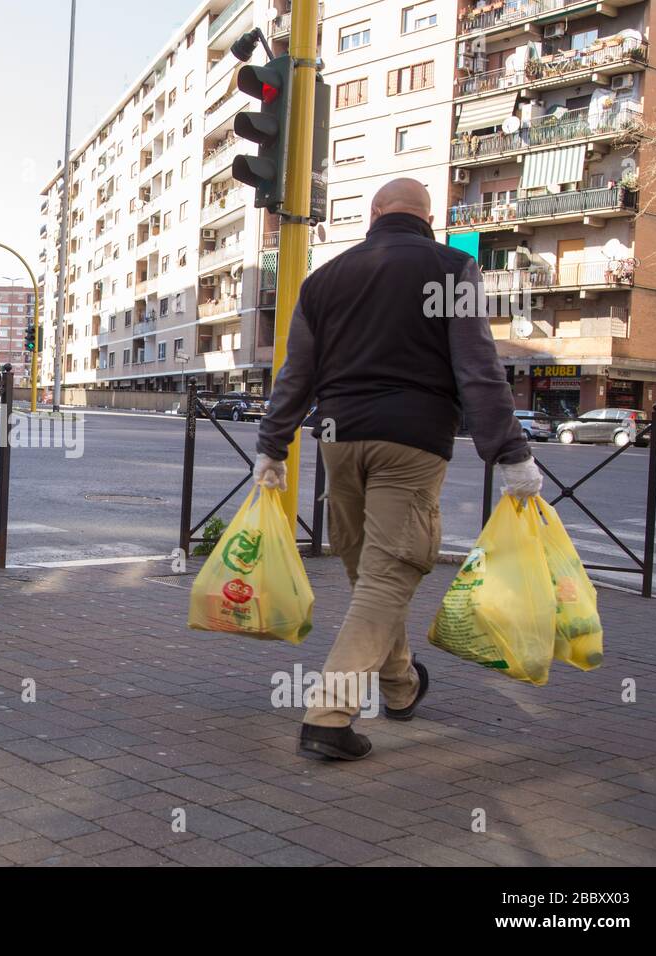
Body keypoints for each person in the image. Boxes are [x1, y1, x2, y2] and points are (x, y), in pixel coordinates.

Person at [254, 178, 542, 762]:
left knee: (371, 573)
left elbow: (295, 374)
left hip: (338, 437)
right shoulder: (453, 268)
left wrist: (271, 446)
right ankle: (330, 713)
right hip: (412, 439)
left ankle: (401, 686)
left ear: (375, 214)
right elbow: (477, 368)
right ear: (427, 217)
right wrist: (509, 452)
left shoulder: (322, 279)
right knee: (389, 573)